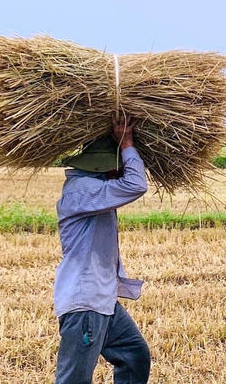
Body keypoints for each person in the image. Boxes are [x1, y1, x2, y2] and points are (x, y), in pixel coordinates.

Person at [54, 116, 151, 384]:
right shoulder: (83, 190)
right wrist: (127, 144)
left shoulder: (94, 189)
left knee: (134, 355)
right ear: (103, 167)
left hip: (102, 298)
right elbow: (136, 185)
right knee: (74, 379)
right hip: (85, 302)